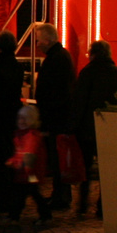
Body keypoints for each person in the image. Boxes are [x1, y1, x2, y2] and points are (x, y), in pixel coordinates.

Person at [71, 41, 117, 219]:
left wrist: (73, 126)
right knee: (107, 169)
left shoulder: (87, 73)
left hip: (88, 129)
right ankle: (102, 207)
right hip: (110, 128)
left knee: (85, 168)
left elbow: (79, 101)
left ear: (93, 54)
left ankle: (82, 205)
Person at [31, 23, 75, 211]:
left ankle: (61, 196)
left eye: (39, 40)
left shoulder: (56, 60)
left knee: (58, 161)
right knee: (58, 161)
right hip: (58, 116)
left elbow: (53, 92)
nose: (38, 44)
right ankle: (60, 194)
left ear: (48, 40)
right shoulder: (60, 57)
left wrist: (45, 113)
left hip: (56, 118)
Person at [0, 31, 24, 215]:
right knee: (13, 157)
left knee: (1, 160)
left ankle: (3, 199)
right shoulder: (17, 68)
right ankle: (14, 197)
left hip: (1, 117)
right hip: (14, 116)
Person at [4, 104, 51, 225]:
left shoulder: (30, 136)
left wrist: (18, 163)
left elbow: (29, 153)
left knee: (28, 193)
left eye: (24, 119)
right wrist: (15, 161)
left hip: (30, 172)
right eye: (20, 118)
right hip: (26, 171)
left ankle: (17, 215)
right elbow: (22, 152)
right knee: (28, 193)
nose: (21, 121)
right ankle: (16, 215)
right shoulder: (22, 134)